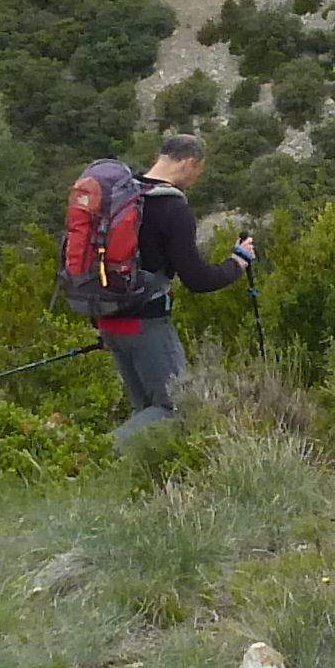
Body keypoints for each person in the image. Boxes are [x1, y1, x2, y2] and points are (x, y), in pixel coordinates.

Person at [88, 131, 253, 445]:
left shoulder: (122, 195)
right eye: (198, 172)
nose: (195, 179)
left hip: (108, 319)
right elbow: (197, 279)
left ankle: (133, 482)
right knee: (175, 407)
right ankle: (96, 456)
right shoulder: (172, 208)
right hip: (146, 324)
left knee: (146, 408)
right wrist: (238, 261)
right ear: (189, 163)